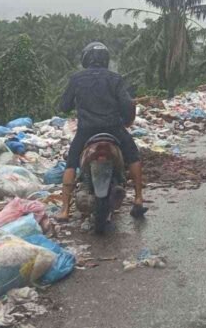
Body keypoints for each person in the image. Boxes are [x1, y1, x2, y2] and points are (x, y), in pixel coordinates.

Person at [57, 42, 147, 220]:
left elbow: (64, 106)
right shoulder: (115, 78)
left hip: (86, 130)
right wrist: (127, 121)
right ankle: (138, 199)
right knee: (133, 156)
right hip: (113, 128)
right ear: (105, 59)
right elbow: (127, 104)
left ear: (85, 59)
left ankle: (65, 210)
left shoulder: (76, 79)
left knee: (71, 162)